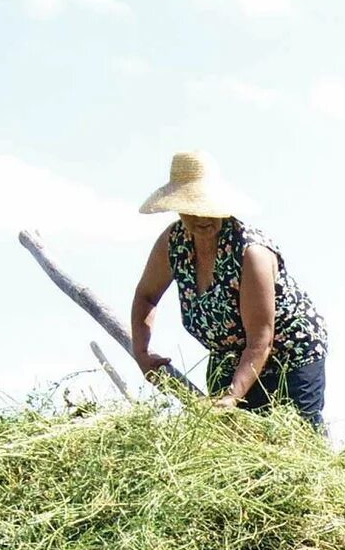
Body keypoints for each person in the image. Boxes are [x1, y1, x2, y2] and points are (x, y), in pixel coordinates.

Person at [129, 151, 328, 425]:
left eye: (208, 207)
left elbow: (260, 339)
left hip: (290, 357)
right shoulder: (174, 244)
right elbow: (146, 296)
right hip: (229, 356)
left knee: (291, 440)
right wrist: (141, 352)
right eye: (192, 208)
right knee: (228, 441)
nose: (202, 217)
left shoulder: (250, 253)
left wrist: (233, 397)